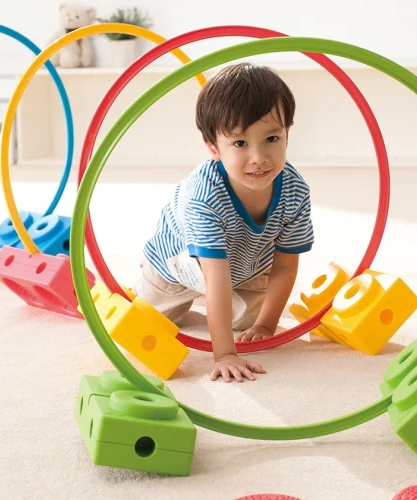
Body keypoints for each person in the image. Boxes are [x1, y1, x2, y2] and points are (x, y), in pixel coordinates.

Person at [133, 63, 313, 383]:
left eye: (272, 138)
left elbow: (285, 266)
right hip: (176, 266)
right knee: (146, 323)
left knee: (247, 325)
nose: (258, 157)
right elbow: (215, 277)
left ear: (288, 134)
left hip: (246, 266)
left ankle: (224, 306)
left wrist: (266, 325)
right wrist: (225, 355)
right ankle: (149, 283)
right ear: (213, 147)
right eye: (240, 143)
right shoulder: (204, 198)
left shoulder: (295, 191)